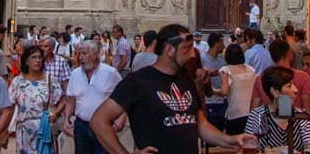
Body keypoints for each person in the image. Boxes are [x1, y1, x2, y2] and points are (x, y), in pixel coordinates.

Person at [90, 23, 255, 154]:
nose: (192, 55)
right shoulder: (138, 81)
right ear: (169, 50)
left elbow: (200, 124)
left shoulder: (187, 80)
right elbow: (99, 120)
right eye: (186, 48)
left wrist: (230, 140)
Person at [63, 40, 123, 154]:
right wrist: (66, 119)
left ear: (95, 55)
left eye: (84, 53)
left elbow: (124, 97)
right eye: (79, 54)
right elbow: (71, 100)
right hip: (81, 125)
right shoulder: (75, 73)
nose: (80, 57)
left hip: (103, 126)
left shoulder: (110, 73)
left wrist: (121, 119)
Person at [251, 39, 310, 139]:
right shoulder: (303, 77)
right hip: (297, 131)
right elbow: (309, 111)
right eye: (289, 86)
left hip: (268, 133)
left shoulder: (261, 79)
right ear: (289, 54)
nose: (295, 90)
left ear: (272, 57)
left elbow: (254, 111)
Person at [8, 45, 64, 154]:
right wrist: (5, 131)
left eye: (39, 57)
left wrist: (56, 113)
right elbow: (9, 107)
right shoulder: (18, 81)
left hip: (45, 129)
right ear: (26, 61)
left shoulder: (49, 79)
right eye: (33, 57)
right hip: (24, 133)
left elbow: (62, 100)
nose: (37, 60)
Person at [245, 66, 310, 152]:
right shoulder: (257, 114)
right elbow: (248, 147)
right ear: (275, 92)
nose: (296, 90)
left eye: (294, 85)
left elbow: (309, 147)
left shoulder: (301, 116)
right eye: (289, 86)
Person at [216, 42, 256, 135]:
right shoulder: (251, 69)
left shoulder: (225, 70)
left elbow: (224, 91)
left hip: (236, 112)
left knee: (234, 144)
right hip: (251, 112)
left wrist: (212, 91)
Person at [201, 32, 227, 131]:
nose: (224, 46)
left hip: (222, 101)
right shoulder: (202, 58)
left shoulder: (223, 59)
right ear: (216, 44)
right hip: (209, 101)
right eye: (222, 43)